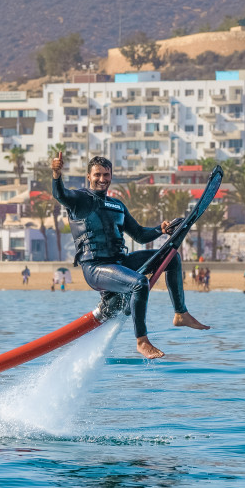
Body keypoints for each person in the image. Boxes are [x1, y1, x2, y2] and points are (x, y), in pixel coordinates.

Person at [52, 152, 208, 359]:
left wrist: (161, 229)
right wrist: (56, 174)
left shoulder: (117, 206)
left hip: (120, 263)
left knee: (172, 258)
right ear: (88, 176)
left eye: (106, 175)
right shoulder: (79, 200)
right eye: (97, 174)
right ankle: (142, 341)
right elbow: (60, 194)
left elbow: (140, 235)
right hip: (96, 268)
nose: (102, 179)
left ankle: (181, 314)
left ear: (111, 176)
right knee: (139, 283)